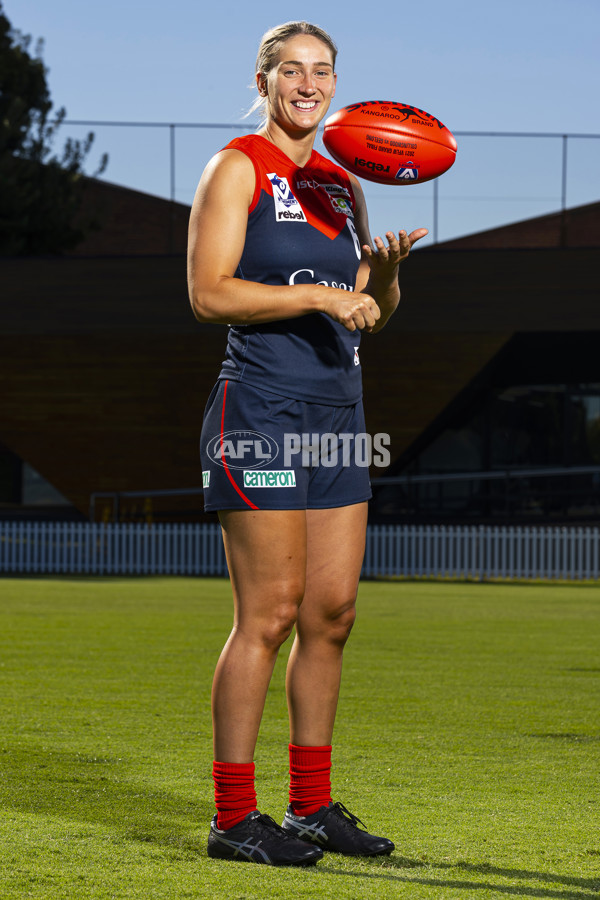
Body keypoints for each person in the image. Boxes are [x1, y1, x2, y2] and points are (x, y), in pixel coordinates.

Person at [187, 20, 428, 866]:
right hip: (259, 411)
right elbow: (209, 294)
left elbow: (366, 310)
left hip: (337, 416)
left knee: (332, 615)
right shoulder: (237, 167)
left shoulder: (341, 184)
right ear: (266, 78)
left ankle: (311, 807)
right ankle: (231, 817)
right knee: (272, 615)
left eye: (322, 70)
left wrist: (383, 280)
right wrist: (324, 300)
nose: (309, 83)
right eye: (293, 69)